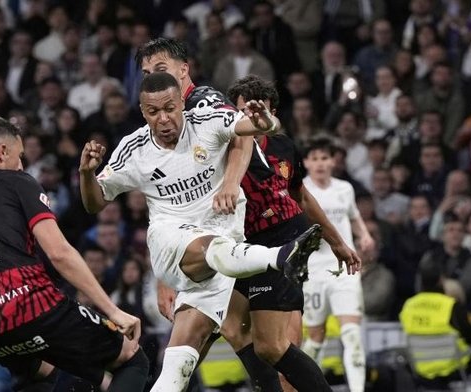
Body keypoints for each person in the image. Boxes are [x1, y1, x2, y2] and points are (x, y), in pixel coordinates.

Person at [80, 72, 333, 391]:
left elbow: (252, 128)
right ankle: (280, 257)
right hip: (171, 243)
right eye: (153, 112)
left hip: (222, 258)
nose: (163, 118)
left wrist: (263, 119)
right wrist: (86, 175)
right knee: (211, 247)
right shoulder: (134, 150)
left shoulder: (207, 121)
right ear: (143, 113)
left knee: (180, 364)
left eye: (170, 108)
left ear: (181, 104)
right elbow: (94, 203)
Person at [0, 116, 148, 392]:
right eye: (19, 155)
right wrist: (113, 311)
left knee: (50, 373)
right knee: (132, 357)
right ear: (2, 152)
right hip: (30, 308)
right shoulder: (16, 181)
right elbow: (59, 253)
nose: (22, 164)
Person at [218, 76, 361, 392]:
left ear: (272, 112)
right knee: (231, 326)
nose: (251, 117)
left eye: (259, 110)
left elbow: (303, 197)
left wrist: (337, 242)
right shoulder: (222, 151)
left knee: (274, 346)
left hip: (285, 243)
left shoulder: (283, 147)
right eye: (242, 111)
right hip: (245, 248)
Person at [135, 37, 254, 325]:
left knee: (245, 334)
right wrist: (166, 274)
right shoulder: (164, 124)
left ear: (184, 70)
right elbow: (167, 202)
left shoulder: (203, 101)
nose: (155, 78)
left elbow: (244, 133)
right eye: (147, 74)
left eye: (161, 68)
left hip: (246, 220)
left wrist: (230, 184)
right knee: (236, 331)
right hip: (209, 232)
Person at [299, 137, 374, 392]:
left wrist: (364, 234)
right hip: (314, 271)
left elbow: (353, 215)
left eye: (324, 158)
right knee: (316, 338)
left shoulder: (345, 189)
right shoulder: (301, 190)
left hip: (345, 269)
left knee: (352, 334)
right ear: (306, 162)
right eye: (315, 158)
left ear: (333, 161)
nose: (320, 163)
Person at [399, 262, 471, 387]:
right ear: (440, 280)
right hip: (455, 369)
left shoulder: (408, 306)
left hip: (421, 371)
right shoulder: (451, 306)